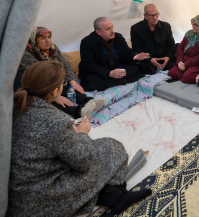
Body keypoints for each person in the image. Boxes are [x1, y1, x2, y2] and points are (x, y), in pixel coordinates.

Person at [8, 61, 152, 217]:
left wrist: (68, 134)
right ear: (55, 91)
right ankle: (115, 195)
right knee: (112, 147)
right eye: (63, 83)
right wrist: (81, 133)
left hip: (19, 196)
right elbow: (84, 163)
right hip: (46, 197)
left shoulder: (13, 109)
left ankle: (113, 195)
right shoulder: (55, 120)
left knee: (97, 147)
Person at [19, 27, 104, 119]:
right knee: (56, 101)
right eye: (43, 38)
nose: (48, 41)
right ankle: (78, 112)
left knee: (75, 90)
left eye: (49, 37)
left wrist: (73, 82)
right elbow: (38, 76)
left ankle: (87, 103)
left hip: (60, 84)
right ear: (34, 40)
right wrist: (54, 95)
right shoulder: (26, 54)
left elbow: (65, 64)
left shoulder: (53, 48)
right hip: (44, 89)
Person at [79, 17, 150, 91]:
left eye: (112, 27)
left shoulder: (118, 37)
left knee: (135, 68)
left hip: (117, 67)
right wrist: (109, 73)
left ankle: (116, 81)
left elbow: (127, 52)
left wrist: (135, 56)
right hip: (101, 72)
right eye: (107, 29)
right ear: (98, 32)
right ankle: (121, 80)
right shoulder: (87, 42)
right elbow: (89, 65)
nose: (112, 31)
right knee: (92, 80)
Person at [130, 4, 176, 74]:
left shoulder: (166, 26)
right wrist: (150, 59)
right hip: (148, 60)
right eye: (151, 15)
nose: (155, 17)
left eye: (156, 14)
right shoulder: (136, 29)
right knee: (145, 71)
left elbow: (171, 45)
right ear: (145, 16)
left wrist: (168, 57)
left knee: (176, 68)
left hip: (164, 59)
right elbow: (137, 48)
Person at [167, 14, 199, 84]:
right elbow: (180, 48)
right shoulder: (189, 34)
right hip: (185, 61)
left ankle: (187, 75)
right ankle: (184, 75)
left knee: (188, 76)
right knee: (171, 73)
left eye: (196, 25)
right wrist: (179, 61)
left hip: (198, 64)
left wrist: (186, 65)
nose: (193, 26)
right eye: (192, 24)